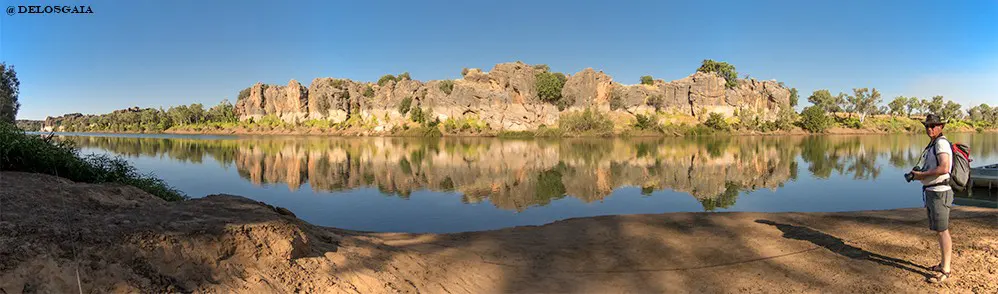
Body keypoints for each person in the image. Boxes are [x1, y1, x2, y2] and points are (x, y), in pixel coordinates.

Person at [909, 114, 953, 283]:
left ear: (941, 127)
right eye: (927, 126)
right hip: (933, 191)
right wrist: (920, 175)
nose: (930, 128)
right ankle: (943, 263)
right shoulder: (933, 143)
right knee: (939, 230)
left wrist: (921, 175)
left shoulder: (941, 143)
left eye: (934, 125)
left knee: (943, 231)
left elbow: (944, 168)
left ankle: (946, 270)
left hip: (940, 192)